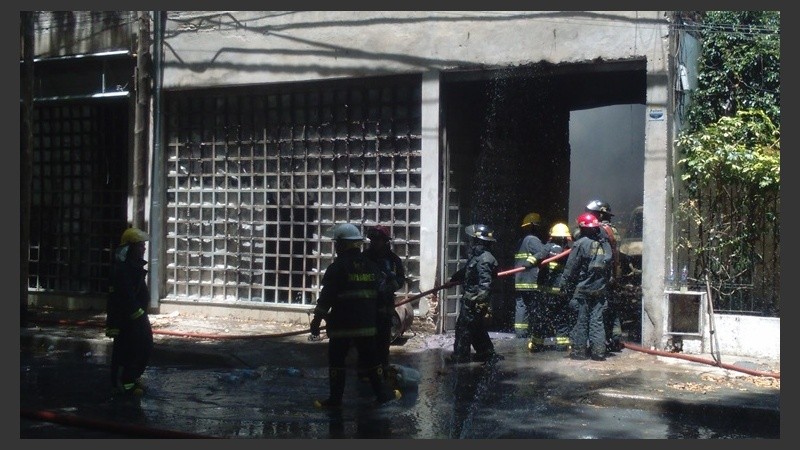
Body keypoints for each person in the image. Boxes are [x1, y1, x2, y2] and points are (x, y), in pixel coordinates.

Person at [309, 223, 401, 408]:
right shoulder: (371, 267)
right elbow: (380, 294)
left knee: (337, 362)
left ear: (342, 245)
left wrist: (316, 321)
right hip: (367, 325)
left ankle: (335, 400)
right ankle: (382, 396)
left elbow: (326, 298)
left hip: (342, 326)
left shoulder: (337, 268)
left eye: (337, 244)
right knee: (372, 361)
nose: (335, 247)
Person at [105, 226, 154, 396]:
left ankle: (129, 379)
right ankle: (127, 384)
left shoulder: (132, 266)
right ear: (130, 248)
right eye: (140, 245)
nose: (144, 248)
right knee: (131, 350)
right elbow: (123, 296)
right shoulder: (122, 269)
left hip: (137, 317)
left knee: (141, 348)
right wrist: (137, 315)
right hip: (129, 319)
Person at [559, 213, 613, 361]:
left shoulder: (580, 244)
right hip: (600, 289)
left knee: (580, 321)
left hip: (582, 289)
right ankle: (599, 352)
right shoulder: (605, 244)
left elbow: (571, 269)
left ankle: (579, 352)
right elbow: (609, 266)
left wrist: (564, 285)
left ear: (582, 227)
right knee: (597, 321)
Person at [446, 224, 502, 364]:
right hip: (471, 299)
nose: (470, 242)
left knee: (464, 328)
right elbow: (467, 272)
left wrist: (480, 302)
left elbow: (485, 283)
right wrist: (454, 279)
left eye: (472, 239)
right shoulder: (478, 257)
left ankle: (461, 356)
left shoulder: (485, 258)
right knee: (476, 327)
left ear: (479, 241)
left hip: (474, 301)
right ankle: (486, 352)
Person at [361, 225, 406, 379]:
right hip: (367, 307)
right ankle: (366, 371)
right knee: (366, 342)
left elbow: (401, 278)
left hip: (385, 307)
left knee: (382, 340)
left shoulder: (393, 260)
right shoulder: (364, 258)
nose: (374, 243)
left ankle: (382, 369)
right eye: (372, 240)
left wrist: (391, 286)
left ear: (385, 241)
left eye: (377, 240)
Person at [582, 199, 624, 352]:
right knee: (612, 307)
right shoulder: (614, 231)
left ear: (600, 214)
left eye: (592, 214)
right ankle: (615, 339)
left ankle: (602, 342)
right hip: (612, 275)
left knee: (600, 310)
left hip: (603, 276)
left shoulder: (601, 230)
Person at [531, 222, 574, 352]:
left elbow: (535, 258)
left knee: (541, 318)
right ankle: (562, 345)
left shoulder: (547, 248)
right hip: (560, 292)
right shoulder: (568, 251)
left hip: (544, 291)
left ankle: (537, 344)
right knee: (561, 318)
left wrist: (530, 263)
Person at [512, 212, 547, 343]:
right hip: (531, 280)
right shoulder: (533, 240)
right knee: (534, 307)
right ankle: (535, 332)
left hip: (520, 280)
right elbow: (543, 253)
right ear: (534, 226)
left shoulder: (521, 240)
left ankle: (521, 333)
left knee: (521, 306)